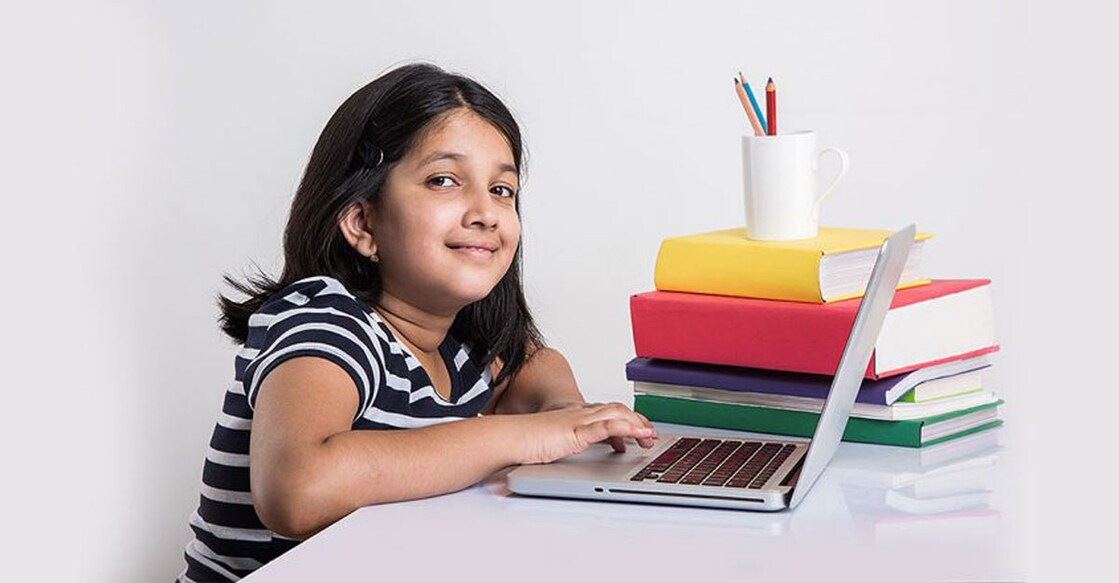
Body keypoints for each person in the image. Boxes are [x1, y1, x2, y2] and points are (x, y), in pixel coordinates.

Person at [177, 62, 658, 582]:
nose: (486, 212)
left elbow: (534, 363)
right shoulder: (325, 320)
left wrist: (563, 410)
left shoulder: (453, 346)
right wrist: (527, 436)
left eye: (502, 189)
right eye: (444, 181)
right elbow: (297, 492)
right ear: (363, 223)